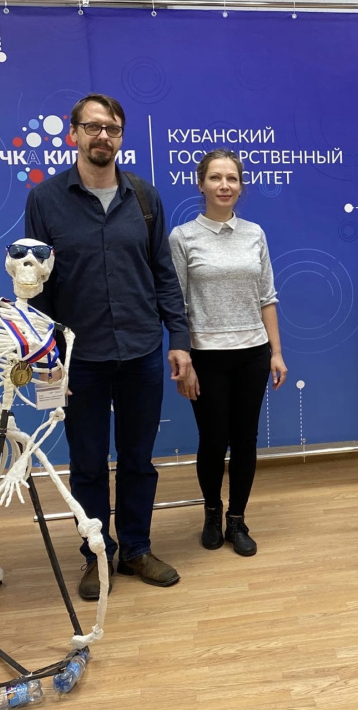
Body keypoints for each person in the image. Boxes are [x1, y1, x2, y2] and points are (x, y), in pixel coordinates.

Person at [25, 93, 192, 598]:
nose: (103, 136)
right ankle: (97, 555)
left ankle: (137, 549)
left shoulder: (144, 197)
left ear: (121, 137)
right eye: (93, 127)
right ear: (74, 133)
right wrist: (47, 356)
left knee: (139, 459)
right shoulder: (45, 199)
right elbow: (37, 283)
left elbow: (163, 274)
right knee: (89, 464)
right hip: (80, 359)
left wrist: (179, 339)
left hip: (141, 350)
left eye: (113, 129)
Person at [170, 149, 287, 557]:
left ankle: (237, 518)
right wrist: (184, 359)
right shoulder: (183, 237)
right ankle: (211, 512)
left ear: (241, 186)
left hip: (252, 353)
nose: (224, 185)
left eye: (232, 178)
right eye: (216, 178)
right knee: (213, 440)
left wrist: (276, 352)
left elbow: (267, 296)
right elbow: (176, 304)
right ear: (200, 184)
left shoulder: (255, 234)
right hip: (206, 356)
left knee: (245, 439)